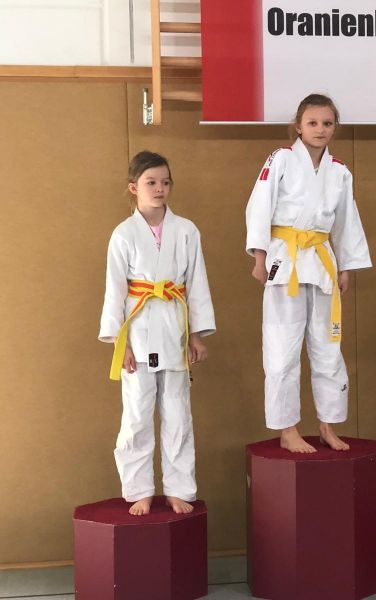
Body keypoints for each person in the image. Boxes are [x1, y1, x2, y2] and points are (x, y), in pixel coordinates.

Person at [245, 93, 371, 454]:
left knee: (328, 348)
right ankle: (288, 429)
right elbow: (259, 206)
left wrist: (345, 266)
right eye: (312, 123)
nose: (320, 129)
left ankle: (328, 425)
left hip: (322, 261)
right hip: (284, 260)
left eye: (327, 123)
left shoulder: (339, 171)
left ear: (335, 128)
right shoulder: (281, 159)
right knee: (282, 349)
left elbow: (347, 221)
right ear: (298, 126)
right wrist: (259, 257)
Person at [99, 151, 216, 516]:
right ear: (133, 187)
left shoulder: (186, 230)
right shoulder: (124, 234)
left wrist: (196, 335)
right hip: (137, 332)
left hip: (174, 328)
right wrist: (120, 344)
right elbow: (115, 290)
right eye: (151, 182)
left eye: (165, 182)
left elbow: (197, 283)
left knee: (178, 414)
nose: (159, 188)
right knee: (136, 415)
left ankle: (179, 488)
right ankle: (139, 490)